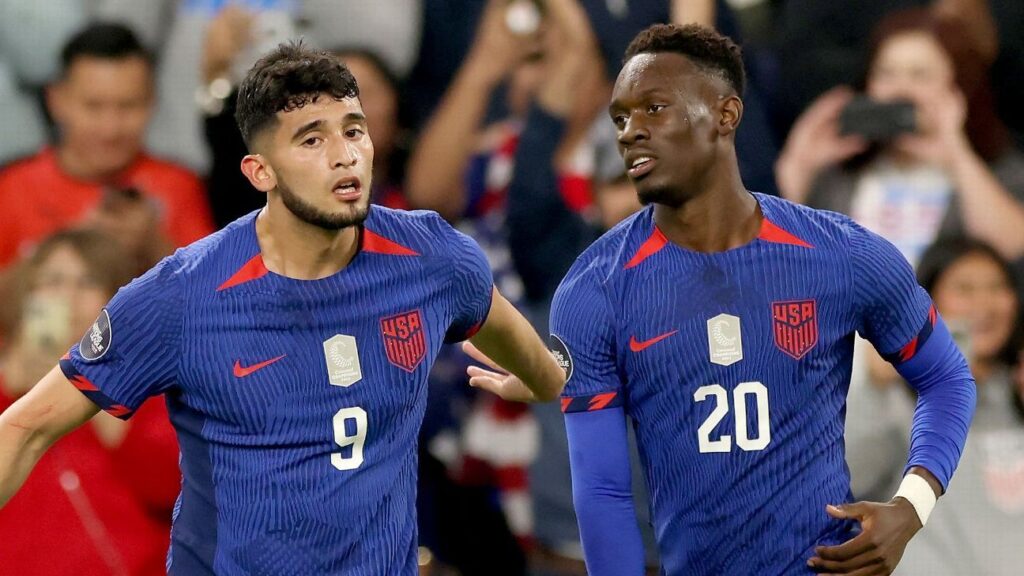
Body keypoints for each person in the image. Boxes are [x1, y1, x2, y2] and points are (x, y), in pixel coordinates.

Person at [0, 42, 565, 575]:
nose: (344, 155)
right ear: (259, 172)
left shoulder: (432, 258)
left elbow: (535, 363)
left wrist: (543, 381)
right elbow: (24, 428)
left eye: (354, 130)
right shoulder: (181, 296)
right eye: (311, 140)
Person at [466, 23, 976, 575]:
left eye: (654, 109)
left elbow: (947, 378)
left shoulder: (840, 254)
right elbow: (604, 493)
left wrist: (912, 504)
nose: (629, 132)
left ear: (726, 115)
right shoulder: (595, 287)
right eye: (620, 117)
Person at [776, 8, 1024, 267]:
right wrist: (797, 167)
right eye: (886, 73)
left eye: (920, 74)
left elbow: (1011, 249)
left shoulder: (999, 168)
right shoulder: (838, 175)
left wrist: (958, 156)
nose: (901, 89)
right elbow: (770, 258)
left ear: (957, 88)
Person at [0, 228, 179, 575]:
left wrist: (93, 382)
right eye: (52, 281)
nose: (67, 296)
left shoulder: (151, 387)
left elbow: (169, 489)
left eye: (86, 282)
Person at [847, 237, 1024, 575]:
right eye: (965, 289)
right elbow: (851, 478)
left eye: (997, 287)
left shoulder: (1016, 392)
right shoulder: (900, 398)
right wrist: (874, 389)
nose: (983, 304)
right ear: (929, 301)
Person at [0, 22, 214, 270]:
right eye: (93, 106)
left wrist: (156, 247)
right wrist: (73, 247)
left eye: (128, 106)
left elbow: (216, 297)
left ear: (152, 102)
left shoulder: (179, 186)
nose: (110, 129)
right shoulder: (12, 188)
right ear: (56, 101)